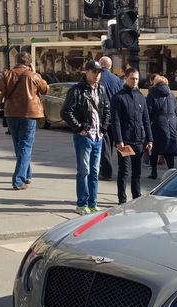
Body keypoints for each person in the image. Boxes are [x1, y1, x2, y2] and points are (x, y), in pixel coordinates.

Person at [0, 52, 49, 190]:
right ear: (29, 63)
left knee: (18, 146)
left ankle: (27, 175)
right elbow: (45, 89)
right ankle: (19, 180)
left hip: (12, 114)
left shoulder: (6, 75)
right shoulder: (33, 76)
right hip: (29, 115)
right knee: (25, 146)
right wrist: (35, 72)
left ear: (16, 61)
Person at [60, 60, 110, 215]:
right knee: (84, 170)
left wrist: (103, 128)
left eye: (99, 72)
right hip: (84, 137)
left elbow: (107, 109)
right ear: (86, 72)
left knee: (95, 171)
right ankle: (82, 203)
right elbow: (66, 111)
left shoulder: (101, 89)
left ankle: (92, 202)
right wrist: (80, 127)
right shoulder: (77, 90)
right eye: (94, 72)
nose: (97, 75)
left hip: (97, 137)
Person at [111, 67, 153, 205]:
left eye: (137, 78)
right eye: (132, 78)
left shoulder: (141, 96)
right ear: (126, 78)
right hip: (125, 141)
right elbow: (115, 121)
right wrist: (119, 140)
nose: (135, 81)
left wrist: (149, 139)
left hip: (139, 140)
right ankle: (122, 199)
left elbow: (146, 119)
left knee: (137, 172)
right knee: (124, 172)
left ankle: (136, 197)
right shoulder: (118, 97)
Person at [146, 73, 177, 178]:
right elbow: (175, 109)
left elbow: (148, 110)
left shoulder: (152, 94)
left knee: (154, 148)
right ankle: (171, 170)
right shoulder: (171, 95)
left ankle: (154, 172)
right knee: (169, 148)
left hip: (157, 123)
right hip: (172, 122)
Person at [97, 56, 123, 181]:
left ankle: (106, 172)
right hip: (116, 116)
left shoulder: (98, 77)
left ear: (100, 64)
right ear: (110, 66)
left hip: (103, 116)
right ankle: (123, 169)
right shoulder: (117, 79)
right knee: (118, 143)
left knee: (106, 146)